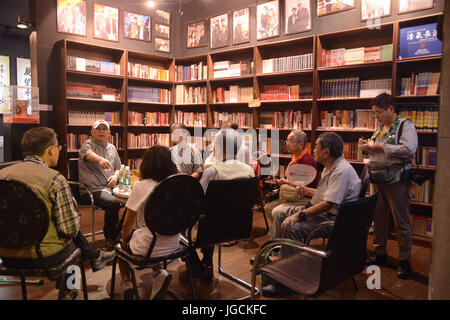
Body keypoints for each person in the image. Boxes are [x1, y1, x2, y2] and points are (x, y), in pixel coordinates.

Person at [0, 127, 115, 298]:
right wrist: (75, 217)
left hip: (5, 254)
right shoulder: (55, 179)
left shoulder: (2, 174)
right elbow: (69, 229)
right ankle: (70, 292)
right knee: (75, 248)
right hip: (45, 256)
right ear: (50, 150)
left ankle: (92, 259)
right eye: (58, 147)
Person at [262, 132, 361, 296]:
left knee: (292, 227)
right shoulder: (333, 166)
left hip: (334, 220)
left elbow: (328, 203)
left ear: (326, 152)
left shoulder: (340, 171)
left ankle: (288, 280)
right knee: (280, 215)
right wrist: (307, 190)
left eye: (316, 146)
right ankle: (280, 258)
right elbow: (327, 195)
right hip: (330, 214)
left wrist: (300, 215)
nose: (313, 149)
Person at [180, 129, 255, 282]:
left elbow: (197, 202)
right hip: (239, 227)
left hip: (209, 230)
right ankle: (207, 263)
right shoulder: (249, 170)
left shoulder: (213, 172)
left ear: (218, 149)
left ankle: (197, 266)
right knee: (212, 215)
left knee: (180, 222)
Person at [359, 93, 417, 280]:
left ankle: (404, 261)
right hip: (377, 178)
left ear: (391, 109)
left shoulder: (405, 125)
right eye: (374, 113)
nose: (376, 117)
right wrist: (366, 146)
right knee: (379, 219)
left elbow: (408, 149)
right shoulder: (380, 129)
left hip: (397, 180)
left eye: (378, 113)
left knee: (401, 221)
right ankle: (380, 253)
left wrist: (380, 148)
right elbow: (375, 149)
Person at [116, 146, 179, 300]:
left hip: (148, 246)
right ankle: (159, 274)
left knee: (119, 247)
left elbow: (126, 226)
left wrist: (124, 242)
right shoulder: (177, 183)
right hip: (174, 243)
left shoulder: (141, 186)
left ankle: (126, 284)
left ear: (146, 165)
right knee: (152, 232)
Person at [267, 130, 319, 239]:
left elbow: (302, 187)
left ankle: (280, 240)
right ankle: (282, 236)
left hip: (303, 198)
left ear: (300, 144)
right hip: (293, 195)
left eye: (290, 141)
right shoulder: (295, 157)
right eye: (287, 140)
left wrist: (285, 182)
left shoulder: (306, 160)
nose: (286, 143)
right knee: (268, 208)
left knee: (276, 211)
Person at [78, 120, 122, 251]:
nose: (102, 131)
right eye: (98, 129)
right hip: (92, 190)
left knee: (132, 199)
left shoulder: (113, 148)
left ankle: (119, 233)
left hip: (110, 187)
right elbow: (89, 155)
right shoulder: (87, 145)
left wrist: (115, 176)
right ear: (92, 132)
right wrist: (100, 160)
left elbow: (118, 168)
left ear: (109, 133)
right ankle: (110, 238)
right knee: (114, 203)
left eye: (104, 129)